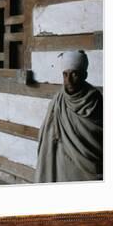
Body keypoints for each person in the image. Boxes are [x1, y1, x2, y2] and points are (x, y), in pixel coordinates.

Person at [35, 50, 103, 183]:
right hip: (60, 163)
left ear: (84, 75)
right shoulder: (58, 100)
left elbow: (99, 137)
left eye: (74, 74)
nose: (69, 80)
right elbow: (47, 134)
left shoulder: (95, 100)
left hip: (86, 170)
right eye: (65, 75)